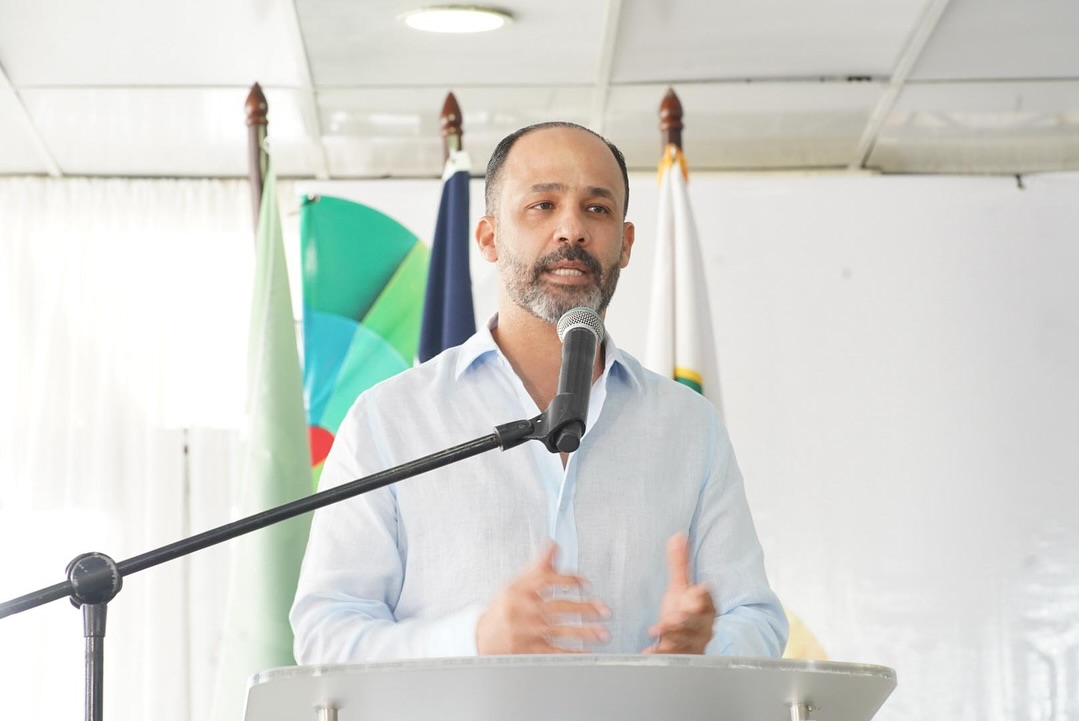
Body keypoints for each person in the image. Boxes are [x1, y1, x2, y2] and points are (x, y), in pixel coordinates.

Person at [290, 121, 788, 661]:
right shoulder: (389, 420)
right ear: (488, 238)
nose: (572, 229)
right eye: (542, 206)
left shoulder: (691, 427)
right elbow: (326, 635)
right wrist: (475, 640)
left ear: (625, 244)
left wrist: (706, 647)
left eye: (597, 209)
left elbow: (756, 619)